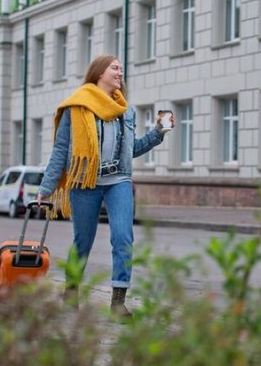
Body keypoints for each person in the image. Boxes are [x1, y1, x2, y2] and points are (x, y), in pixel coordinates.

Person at [36, 54, 173, 318]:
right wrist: (46, 188)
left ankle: (118, 301)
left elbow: (131, 150)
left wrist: (158, 133)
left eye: (121, 69)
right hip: (85, 181)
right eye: (115, 68)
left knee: (123, 238)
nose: (120, 73)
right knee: (82, 241)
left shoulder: (125, 111)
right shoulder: (77, 107)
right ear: (99, 73)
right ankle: (71, 291)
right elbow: (61, 150)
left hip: (118, 180)